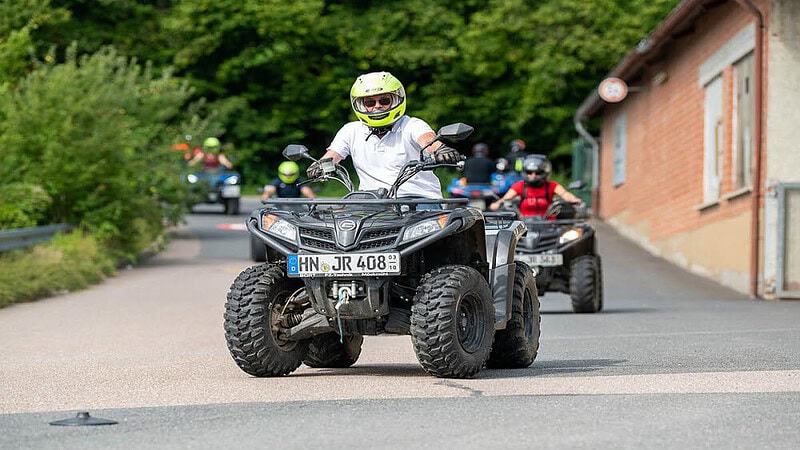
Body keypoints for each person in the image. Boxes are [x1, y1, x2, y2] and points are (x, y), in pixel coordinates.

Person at [306, 71, 464, 203]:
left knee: (432, 236)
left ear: (396, 99)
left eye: (384, 100)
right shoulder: (351, 130)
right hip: (371, 202)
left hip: (419, 200)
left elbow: (428, 141)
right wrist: (319, 166)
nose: (377, 106)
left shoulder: (412, 125)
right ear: (360, 105)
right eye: (369, 103)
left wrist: (440, 150)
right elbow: (332, 156)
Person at [488, 154, 582, 217]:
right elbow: (506, 198)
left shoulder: (551, 186)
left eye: (537, 173)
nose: (533, 175)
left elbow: (565, 194)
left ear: (545, 172)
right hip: (525, 226)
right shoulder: (520, 186)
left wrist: (574, 200)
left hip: (549, 226)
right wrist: (497, 204)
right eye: (529, 172)